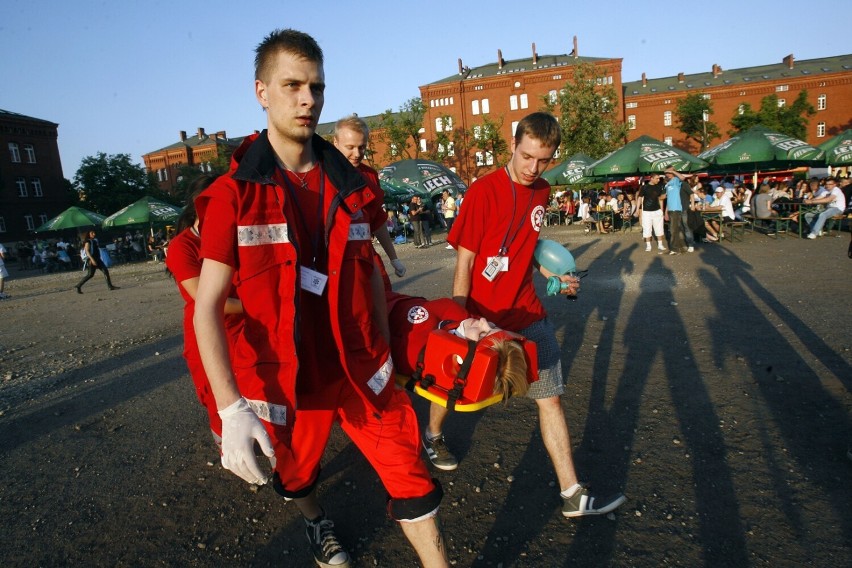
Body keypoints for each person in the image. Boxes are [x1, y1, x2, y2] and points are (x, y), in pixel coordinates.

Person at [193, 29, 447, 568]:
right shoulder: (232, 196)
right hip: (290, 381)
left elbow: (373, 277)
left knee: (410, 474)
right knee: (296, 473)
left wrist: (391, 351)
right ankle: (315, 523)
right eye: (293, 86)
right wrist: (231, 406)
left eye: (316, 87)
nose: (308, 99)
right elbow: (207, 305)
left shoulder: (353, 187)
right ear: (262, 91)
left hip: (360, 370)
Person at [437, 112, 626, 518]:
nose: (532, 168)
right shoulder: (482, 192)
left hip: (528, 313)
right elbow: (466, 262)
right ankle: (432, 434)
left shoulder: (542, 191)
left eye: (543, 160)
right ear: (512, 144)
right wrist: (458, 319)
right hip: (482, 317)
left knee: (551, 399)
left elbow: (525, 248)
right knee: (453, 384)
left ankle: (572, 493)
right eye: (526, 157)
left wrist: (553, 273)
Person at [165, 174, 245, 451]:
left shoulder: (234, 236)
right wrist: (258, 306)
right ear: (199, 207)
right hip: (210, 330)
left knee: (256, 387)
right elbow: (207, 300)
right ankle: (231, 450)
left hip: (245, 327)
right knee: (218, 394)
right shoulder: (181, 246)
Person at [387, 290, 530, 403]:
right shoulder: (466, 324)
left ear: (465, 361)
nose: (484, 321)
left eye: (482, 334)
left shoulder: (416, 354)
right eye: (493, 327)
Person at [332, 114, 406, 277]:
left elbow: (377, 219)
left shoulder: (370, 176)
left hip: (366, 253)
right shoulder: (323, 175)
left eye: (362, 147)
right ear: (335, 143)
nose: (357, 153)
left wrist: (393, 258)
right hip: (335, 258)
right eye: (350, 147)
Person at [662, 167, 696, 254]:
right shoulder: (668, 184)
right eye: (666, 172)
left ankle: (677, 248)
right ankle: (681, 247)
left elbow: (683, 178)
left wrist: (673, 171)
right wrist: (666, 211)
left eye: (668, 172)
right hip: (672, 209)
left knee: (681, 228)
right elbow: (668, 199)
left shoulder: (678, 181)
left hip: (678, 208)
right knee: (676, 229)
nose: (667, 174)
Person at [638, 173, 667, 252]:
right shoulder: (644, 187)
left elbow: (660, 199)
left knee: (659, 228)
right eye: (657, 178)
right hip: (647, 211)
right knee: (647, 228)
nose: (658, 180)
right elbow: (640, 198)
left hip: (657, 210)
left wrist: (661, 210)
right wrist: (638, 209)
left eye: (659, 178)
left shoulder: (659, 186)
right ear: (652, 178)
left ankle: (660, 245)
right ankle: (648, 246)